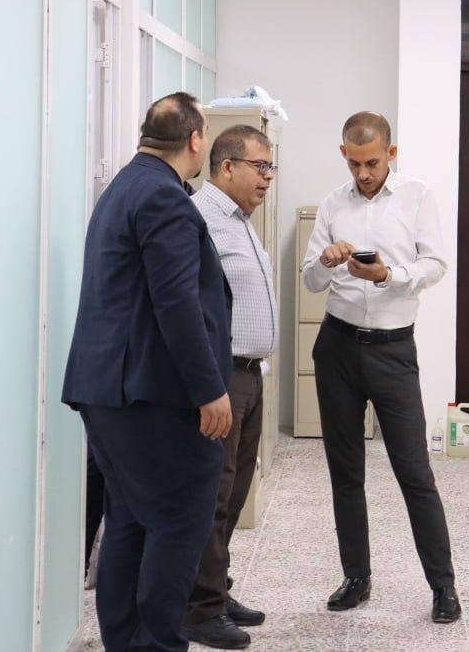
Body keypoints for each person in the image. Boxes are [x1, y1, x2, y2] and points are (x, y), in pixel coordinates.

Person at [62, 92, 234, 652]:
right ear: (195, 140)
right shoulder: (164, 197)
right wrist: (209, 389)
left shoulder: (122, 188)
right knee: (179, 522)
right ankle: (156, 643)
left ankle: (127, 642)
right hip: (151, 397)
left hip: (108, 390)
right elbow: (176, 302)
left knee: (131, 521)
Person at [301, 111, 462, 625]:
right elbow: (309, 281)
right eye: (354, 163)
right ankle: (356, 577)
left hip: (393, 352)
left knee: (414, 472)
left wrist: (389, 274)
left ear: (391, 153)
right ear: (343, 154)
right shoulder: (333, 203)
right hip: (337, 347)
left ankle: (443, 586)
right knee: (345, 471)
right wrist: (326, 261)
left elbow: (436, 264)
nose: (363, 173)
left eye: (371, 162)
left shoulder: (416, 196)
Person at [184, 126, 280, 649]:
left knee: (236, 490)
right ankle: (199, 610)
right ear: (226, 167)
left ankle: (217, 590)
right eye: (259, 166)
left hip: (250, 375)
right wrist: (207, 385)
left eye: (270, 168)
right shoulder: (200, 219)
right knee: (213, 495)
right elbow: (188, 309)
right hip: (222, 378)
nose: (267, 177)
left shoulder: (241, 222)